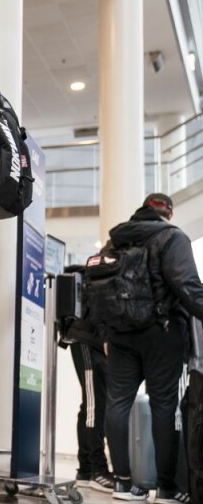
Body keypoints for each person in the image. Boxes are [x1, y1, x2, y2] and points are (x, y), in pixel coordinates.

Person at [100, 194, 203, 502]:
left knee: (117, 404)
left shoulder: (115, 241)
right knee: (164, 406)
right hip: (162, 332)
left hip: (119, 334)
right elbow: (187, 286)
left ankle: (122, 482)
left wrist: (105, 333)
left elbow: (100, 290)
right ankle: (166, 487)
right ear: (167, 213)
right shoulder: (172, 237)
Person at [58, 266, 114, 493]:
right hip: (87, 341)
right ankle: (95, 471)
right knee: (94, 405)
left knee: (93, 404)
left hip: (93, 342)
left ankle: (86, 468)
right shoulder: (104, 275)